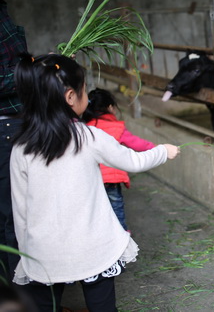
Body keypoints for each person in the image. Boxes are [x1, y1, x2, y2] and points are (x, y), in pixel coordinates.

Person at [10, 53, 180, 311]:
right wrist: (163, 151)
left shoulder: (21, 147)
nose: (87, 96)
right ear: (70, 97)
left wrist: (28, 254)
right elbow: (133, 161)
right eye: (84, 89)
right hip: (93, 248)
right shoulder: (88, 136)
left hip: (44, 254)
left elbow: (20, 210)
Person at [82, 88, 155, 232]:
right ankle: (122, 238)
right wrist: (156, 148)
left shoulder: (85, 128)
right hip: (112, 180)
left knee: (97, 211)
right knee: (116, 210)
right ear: (110, 108)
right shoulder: (116, 127)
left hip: (93, 180)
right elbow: (136, 143)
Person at [0, 0, 27, 283]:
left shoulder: (3, 9)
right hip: (5, 126)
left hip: (14, 121)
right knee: (15, 216)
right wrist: (33, 73)